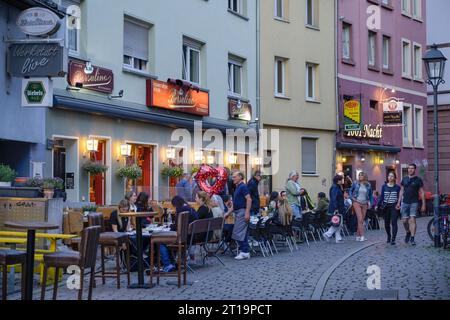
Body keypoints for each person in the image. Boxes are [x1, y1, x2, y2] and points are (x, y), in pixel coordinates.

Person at [396, 164, 426, 246]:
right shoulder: (404, 179)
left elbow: (422, 192)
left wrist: (423, 204)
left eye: (412, 168)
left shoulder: (418, 180)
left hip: (414, 202)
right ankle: (408, 232)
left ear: (415, 170)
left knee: (412, 219)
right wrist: (398, 202)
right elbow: (401, 191)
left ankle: (412, 238)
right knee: (404, 221)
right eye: (409, 168)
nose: (410, 169)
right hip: (405, 202)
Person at [228, 171, 252, 260]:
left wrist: (247, 212)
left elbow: (249, 199)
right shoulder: (238, 187)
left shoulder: (243, 186)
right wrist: (228, 213)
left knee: (237, 232)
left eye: (234, 177)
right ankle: (244, 251)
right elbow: (234, 204)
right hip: (238, 212)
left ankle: (245, 251)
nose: (232, 178)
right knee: (242, 232)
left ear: (240, 177)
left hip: (242, 212)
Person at [350, 172, 373, 242]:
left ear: (364, 176)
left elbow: (371, 195)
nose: (359, 176)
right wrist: (352, 198)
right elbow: (350, 191)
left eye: (361, 175)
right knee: (360, 219)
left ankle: (357, 236)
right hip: (356, 202)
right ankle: (362, 236)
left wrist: (370, 203)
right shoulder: (355, 183)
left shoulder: (368, 185)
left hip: (365, 203)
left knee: (361, 220)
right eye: (359, 175)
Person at [380, 172, 401, 245]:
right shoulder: (384, 186)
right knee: (386, 223)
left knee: (394, 222)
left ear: (394, 178)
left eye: (392, 176)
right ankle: (389, 236)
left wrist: (399, 204)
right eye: (389, 176)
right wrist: (378, 205)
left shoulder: (397, 187)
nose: (390, 177)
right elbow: (382, 197)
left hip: (394, 206)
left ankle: (393, 238)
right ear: (387, 177)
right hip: (386, 206)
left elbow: (399, 197)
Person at [323, 175, 345, 243]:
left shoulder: (337, 187)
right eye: (341, 180)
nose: (342, 181)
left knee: (338, 223)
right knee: (337, 222)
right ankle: (327, 234)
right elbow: (334, 198)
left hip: (338, 207)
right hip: (337, 207)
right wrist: (336, 208)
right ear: (338, 180)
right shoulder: (335, 188)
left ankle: (338, 238)